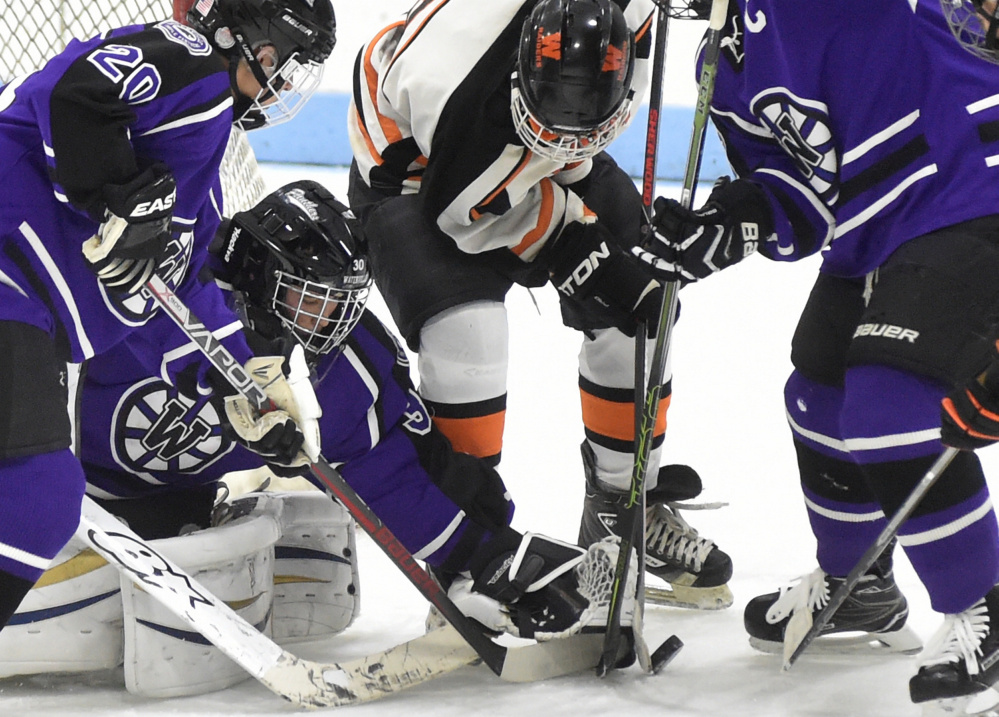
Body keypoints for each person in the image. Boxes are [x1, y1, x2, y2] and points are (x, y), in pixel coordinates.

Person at [0, 181, 638, 690]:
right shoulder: (153, 294)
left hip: (155, 503)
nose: (328, 321)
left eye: (340, 301)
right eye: (311, 299)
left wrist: (484, 552)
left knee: (240, 581)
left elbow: (393, 466)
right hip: (44, 478)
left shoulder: (336, 365)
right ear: (257, 279)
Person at [635, 0, 999, 711]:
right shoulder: (722, 60)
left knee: (887, 402)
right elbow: (803, 197)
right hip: (879, 228)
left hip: (971, 189)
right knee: (817, 398)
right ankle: (859, 583)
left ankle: (980, 601)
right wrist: (721, 226)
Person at [345, 0, 733, 611]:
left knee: (647, 306)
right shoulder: (464, 106)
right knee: (466, 333)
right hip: (421, 173)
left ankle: (621, 508)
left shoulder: (622, 12)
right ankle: (474, 550)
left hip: (531, 122)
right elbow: (464, 215)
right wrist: (578, 245)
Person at [0, 0, 337, 636]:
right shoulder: (197, 64)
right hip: (6, 278)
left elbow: (185, 284)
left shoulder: (201, 149)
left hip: (21, 303)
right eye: (284, 62)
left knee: (34, 497)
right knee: (35, 496)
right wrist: (115, 195)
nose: (286, 83)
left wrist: (251, 385)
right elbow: (76, 92)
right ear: (249, 37)